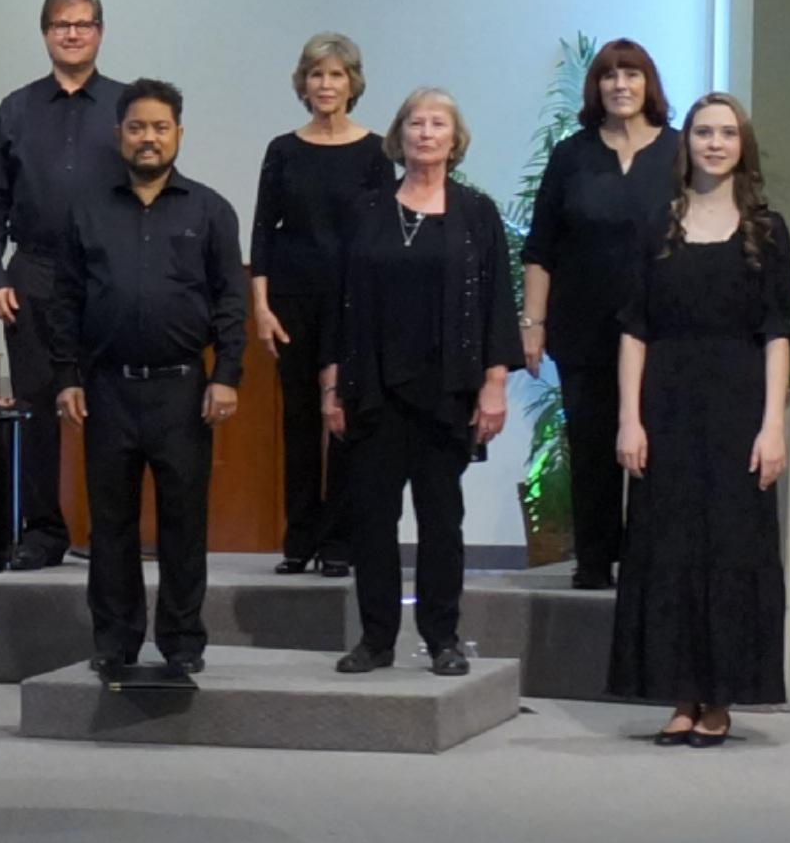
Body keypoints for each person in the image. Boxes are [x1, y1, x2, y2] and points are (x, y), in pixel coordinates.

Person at [43, 80, 245, 674]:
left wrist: (226, 374)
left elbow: (231, 300)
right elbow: (65, 301)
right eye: (137, 128)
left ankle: (182, 643)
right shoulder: (87, 210)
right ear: (119, 136)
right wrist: (66, 377)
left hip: (184, 391)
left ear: (178, 134)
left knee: (184, 524)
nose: (148, 138)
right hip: (106, 388)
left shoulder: (210, 210)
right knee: (111, 526)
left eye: (160, 127)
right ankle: (115, 641)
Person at [612, 93, 790, 743]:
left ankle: (721, 697)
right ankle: (682, 693)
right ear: (685, 142)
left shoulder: (767, 230)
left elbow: (777, 332)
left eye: (727, 132)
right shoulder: (656, 223)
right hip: (667, 402)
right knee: (669, 546)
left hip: (739, 403)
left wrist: (774, 426)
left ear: (742, 144)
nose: (714, 142)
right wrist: (629, 420)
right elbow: (634, 329)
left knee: (733, 547)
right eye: (703, 132)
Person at [322, 90, 513, 677]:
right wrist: (331, 386)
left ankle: (442, 639)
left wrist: (494, 384)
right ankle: (376, 639)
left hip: (446, 391)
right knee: (372, 519)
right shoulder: (365, 210)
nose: (426, 133)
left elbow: (497, 306)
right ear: (398, 135)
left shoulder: (477, 213)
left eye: (438, 124)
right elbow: (337, 302)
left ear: (455, 139)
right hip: (373, 388)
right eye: (415, 122)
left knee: (440, 519)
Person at [0, 0, 130, 571]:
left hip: (109, 279)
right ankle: (42, 531)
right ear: (45, 33)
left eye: (83, 24)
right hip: (34, 275)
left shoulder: (125, 105)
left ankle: (109, 533)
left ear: (100, 32)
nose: (72, 34)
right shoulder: (16, 108)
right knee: (37, 408)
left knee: (110, 411)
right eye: (61, 25)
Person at [524, 41, 681, 591]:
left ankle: (646, 561)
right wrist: (533, 323)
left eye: (632, 74)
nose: (620, 84)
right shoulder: (572, 155)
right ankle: (593, 561)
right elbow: (541, 247)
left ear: (648, 84)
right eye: (610, 75)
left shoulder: (679, 153)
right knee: (591, 446)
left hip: (663, 330)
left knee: (654, 445)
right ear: (597, 88)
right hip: (583, 327)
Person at [250, 34, 386, 578]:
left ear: (353, 83)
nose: (326, 85)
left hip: (353, 301)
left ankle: (339, 541)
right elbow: (262, 232)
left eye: (336, 75)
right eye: (316, 75)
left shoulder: (377, 151)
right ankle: (299, 539)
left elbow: (380, 236)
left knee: (346, 420)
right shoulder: (283, 150)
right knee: (300, 420)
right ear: (302, 84)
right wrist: (261, 306)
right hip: (292, 298)